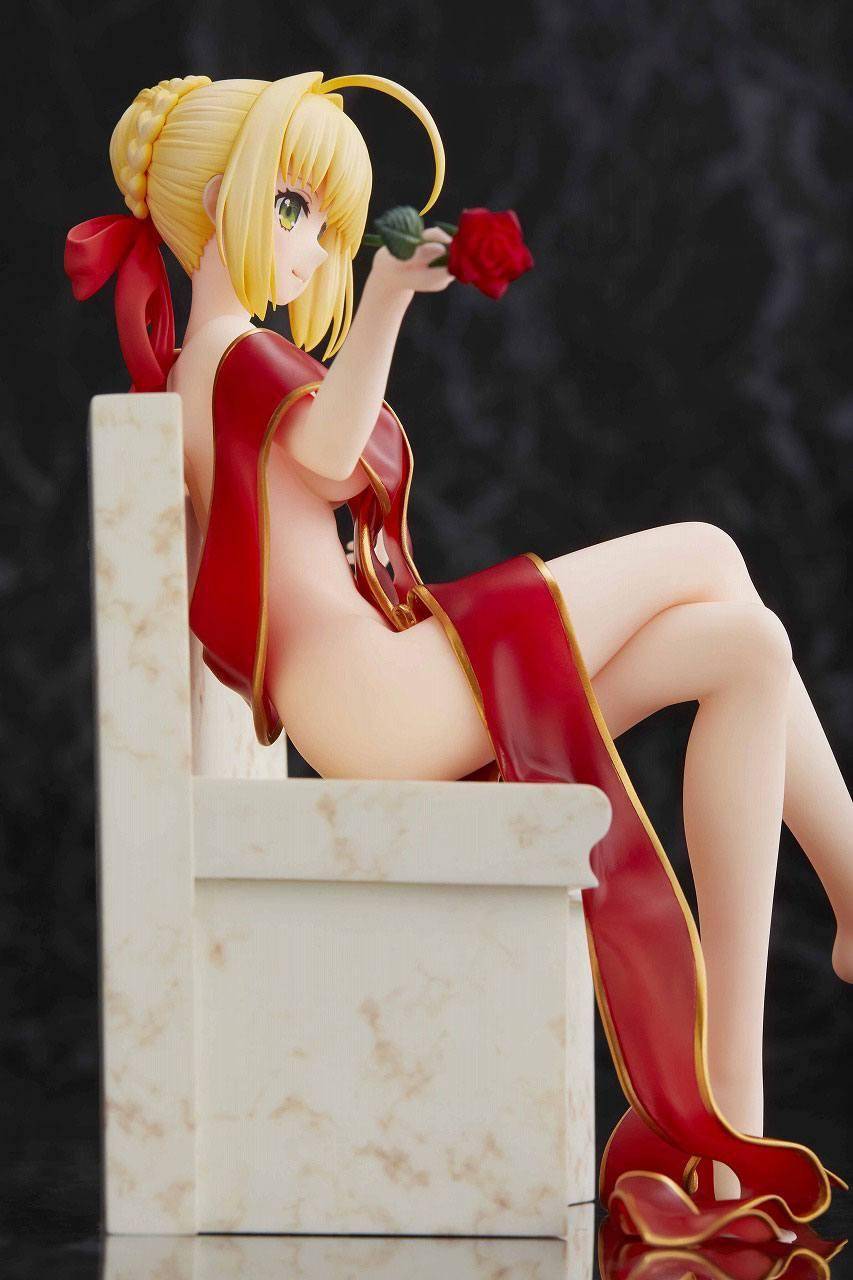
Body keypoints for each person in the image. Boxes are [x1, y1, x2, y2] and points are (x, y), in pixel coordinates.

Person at [65, 71, 851, 1246]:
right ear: (222, 202)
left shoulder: (213, 363)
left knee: (743, 644)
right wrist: (385, 301)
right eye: (294, 209)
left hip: (387, 683)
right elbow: (334, 455)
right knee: (709, 548)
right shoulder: (226, 358)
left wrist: (379, 297)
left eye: (326, 225)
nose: (313, 246)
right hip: (380, 697)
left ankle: (733, 1112)